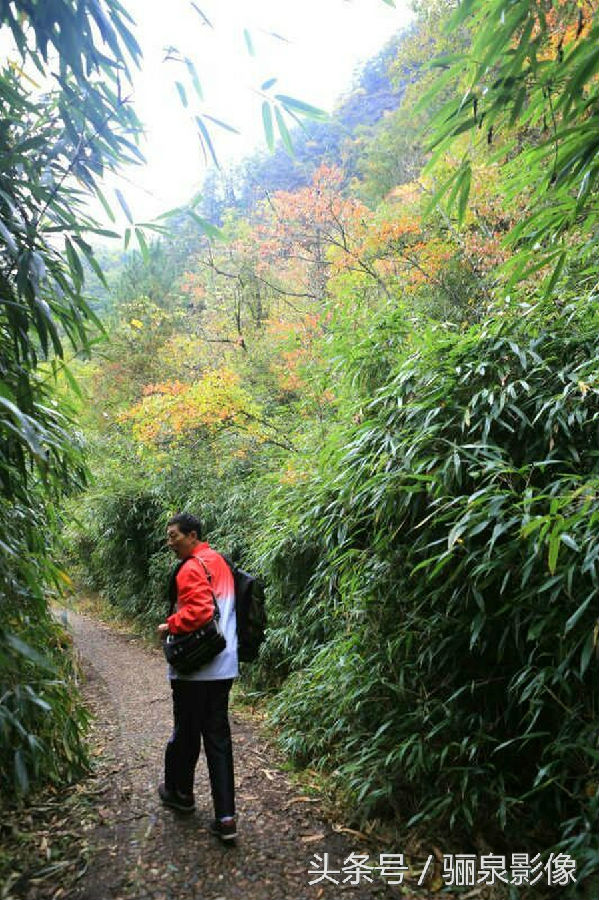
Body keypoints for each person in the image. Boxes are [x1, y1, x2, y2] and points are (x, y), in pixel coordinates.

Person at [157, 512, 238, 842]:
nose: (170, 542)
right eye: (168, 536)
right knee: (218, 740)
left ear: (193, 535)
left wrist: (169, 625)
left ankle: (181, 794)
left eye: (174, 535)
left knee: (186, 734)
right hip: (224, 666)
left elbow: (201, 612)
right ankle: (226, 818)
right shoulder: (221, 563)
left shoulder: (191, 567)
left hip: (194, 669)